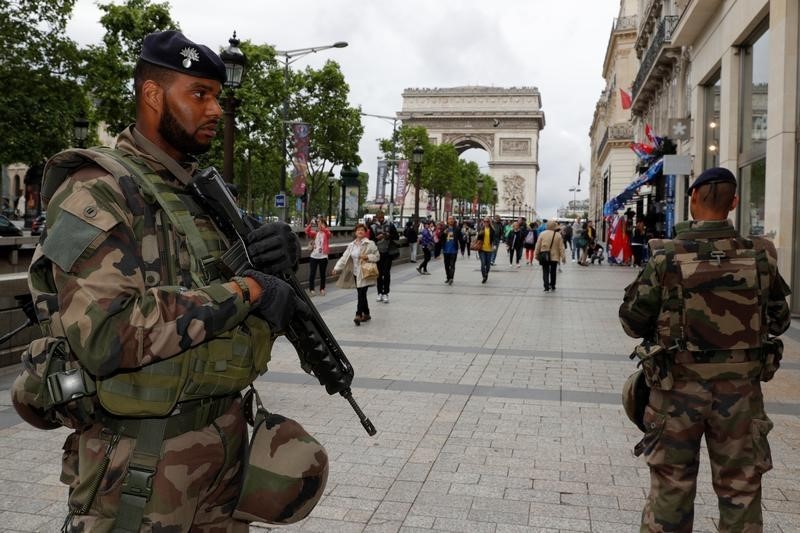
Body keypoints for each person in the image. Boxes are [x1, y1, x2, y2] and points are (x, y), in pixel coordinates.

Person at [25, 30, 311, 531]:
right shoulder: (97, 189)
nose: (215, 110)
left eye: (218, 96)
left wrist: (276, 254)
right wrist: (247, 291)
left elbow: (219, 293)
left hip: (221, 453)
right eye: (199, 94)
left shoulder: (198, 192)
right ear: (153, 96)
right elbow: (106, 335)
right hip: (139, 464)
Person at [619, 167, 791, 532]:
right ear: (734, 202)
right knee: (741, 488)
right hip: (742, 396)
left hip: (676, 394)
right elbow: (780, 321)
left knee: (671, 487)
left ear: (693, 198)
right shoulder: (761, 255)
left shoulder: (665, 256)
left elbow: (632, 321)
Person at [332, 223, 379, 325]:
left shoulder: (370, 244)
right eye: (358, 230)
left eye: (362, 230)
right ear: (355, 232)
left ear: (365, 232)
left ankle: (358, 314)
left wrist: (367, 257)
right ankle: (366, 313)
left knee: (361, 294)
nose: (360, 232)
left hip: (365, 272)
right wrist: (336, 268)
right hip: (355, 273)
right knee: (361, 294)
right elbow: (344, 258)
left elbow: (377, 256)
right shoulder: (351, 245)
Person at [370, 210, 399, 303]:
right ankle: (379, 293)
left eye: (382, 217)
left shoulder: (390, 225)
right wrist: (376, 238)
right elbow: (370, 240)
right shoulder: (372, 227)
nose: (381, 219)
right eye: (379, 218)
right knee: (378, 274)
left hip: (388, 253)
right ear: (376, 218)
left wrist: (389, 235)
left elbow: (397, 237)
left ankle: (386, 293)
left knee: (386, 273)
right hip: (377, 253)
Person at [534, 220, 566, 292]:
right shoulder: (558, 235)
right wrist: (563, 257)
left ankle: (546, 287)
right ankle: (553, 285)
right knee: (553, 271)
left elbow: (538, 245)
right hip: (555, 257)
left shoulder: (542, 234)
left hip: (544, 255)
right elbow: (561, 247)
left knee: (545, 271)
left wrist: (536, 254)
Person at [305, 217, 331, 296]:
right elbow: (307, 231)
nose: (319, 225)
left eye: (322, 223)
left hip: (323, 256)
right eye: (319, 223)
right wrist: (310, 224)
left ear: (325, 225)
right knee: (312, 273)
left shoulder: (327, 233)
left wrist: (322, 227)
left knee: (322, 274)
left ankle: (322, 289)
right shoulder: (315, 233)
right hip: (314, 256)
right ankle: (311, 289)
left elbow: (328, 233)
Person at [440, 215, 461, 285]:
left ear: (454, 220)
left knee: (452, 265)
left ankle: (451, 278)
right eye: (449, 219)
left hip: (454, 250)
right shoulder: (444, 228)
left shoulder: (457, 229)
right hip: (446, 250)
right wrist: (443, 233)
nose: (451, 220)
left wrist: (463, 247)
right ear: (447, 220)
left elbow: (460, 238)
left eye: (452, 219)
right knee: (446, 265)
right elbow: (440, 236)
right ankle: (448, 277)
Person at [475, 217, 496, 283]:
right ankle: (484, 276)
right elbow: (477, 238)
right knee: (483, 263)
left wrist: (494, 245)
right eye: (484, 221)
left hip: (489, 249)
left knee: (488, 264)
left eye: (487, 221)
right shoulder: (481, 229)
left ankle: (486, 273)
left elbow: (494, 239)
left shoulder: (492, 230)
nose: (486, 222)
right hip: (482, 249)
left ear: (489, 222)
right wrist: (479, 234)